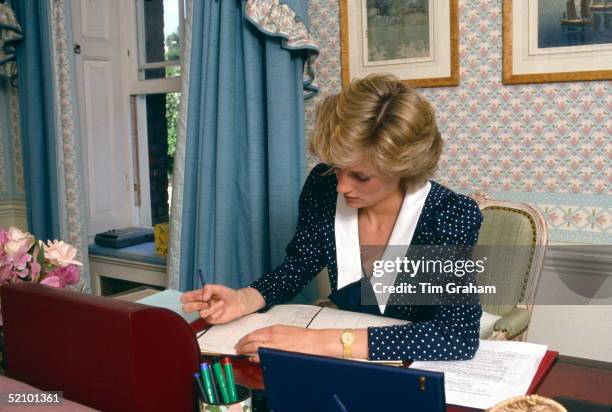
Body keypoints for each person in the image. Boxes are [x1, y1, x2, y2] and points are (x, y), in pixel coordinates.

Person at [181, 73, 483, 362]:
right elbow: (300, 264)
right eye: (338, 167)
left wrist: (314, 341)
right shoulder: (324, 185)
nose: (342, 186)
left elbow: (456, 334)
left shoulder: (449, 215)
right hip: (339, 361)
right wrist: (244, 298)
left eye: (361, 176)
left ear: (403, 168)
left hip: (416, 367)